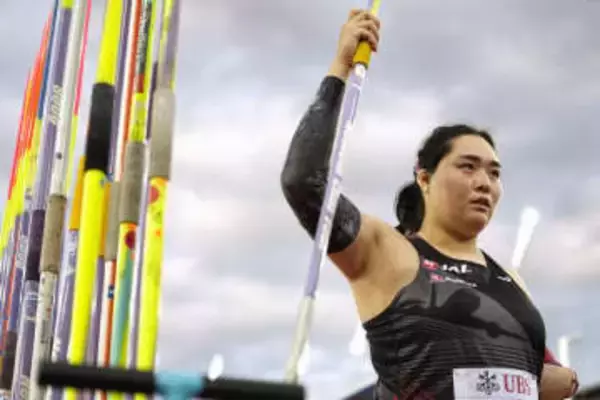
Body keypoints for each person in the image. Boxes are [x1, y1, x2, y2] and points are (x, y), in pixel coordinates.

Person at [280, 9, 579, 400]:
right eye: (467, 167)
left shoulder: (511, 281)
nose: (484, 183)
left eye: (494, 173)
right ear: (424, 178)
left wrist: (562, 380)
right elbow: (304, 183)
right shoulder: (388, 253)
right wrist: (340, 68)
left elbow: (526, 373)